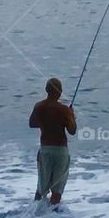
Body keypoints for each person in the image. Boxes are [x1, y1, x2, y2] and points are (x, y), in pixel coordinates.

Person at [29, 77, 77, 205]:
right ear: (60, 92)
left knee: (41, 187)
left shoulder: (38, 106)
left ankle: (34, 212)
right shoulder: (64, 110)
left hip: (45, 149)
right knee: (57, 190)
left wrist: (46, 122)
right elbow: (72, 130)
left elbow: (32, 124)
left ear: (46, 90)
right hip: (60, 151)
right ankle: (53, 217)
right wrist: (71, 116)